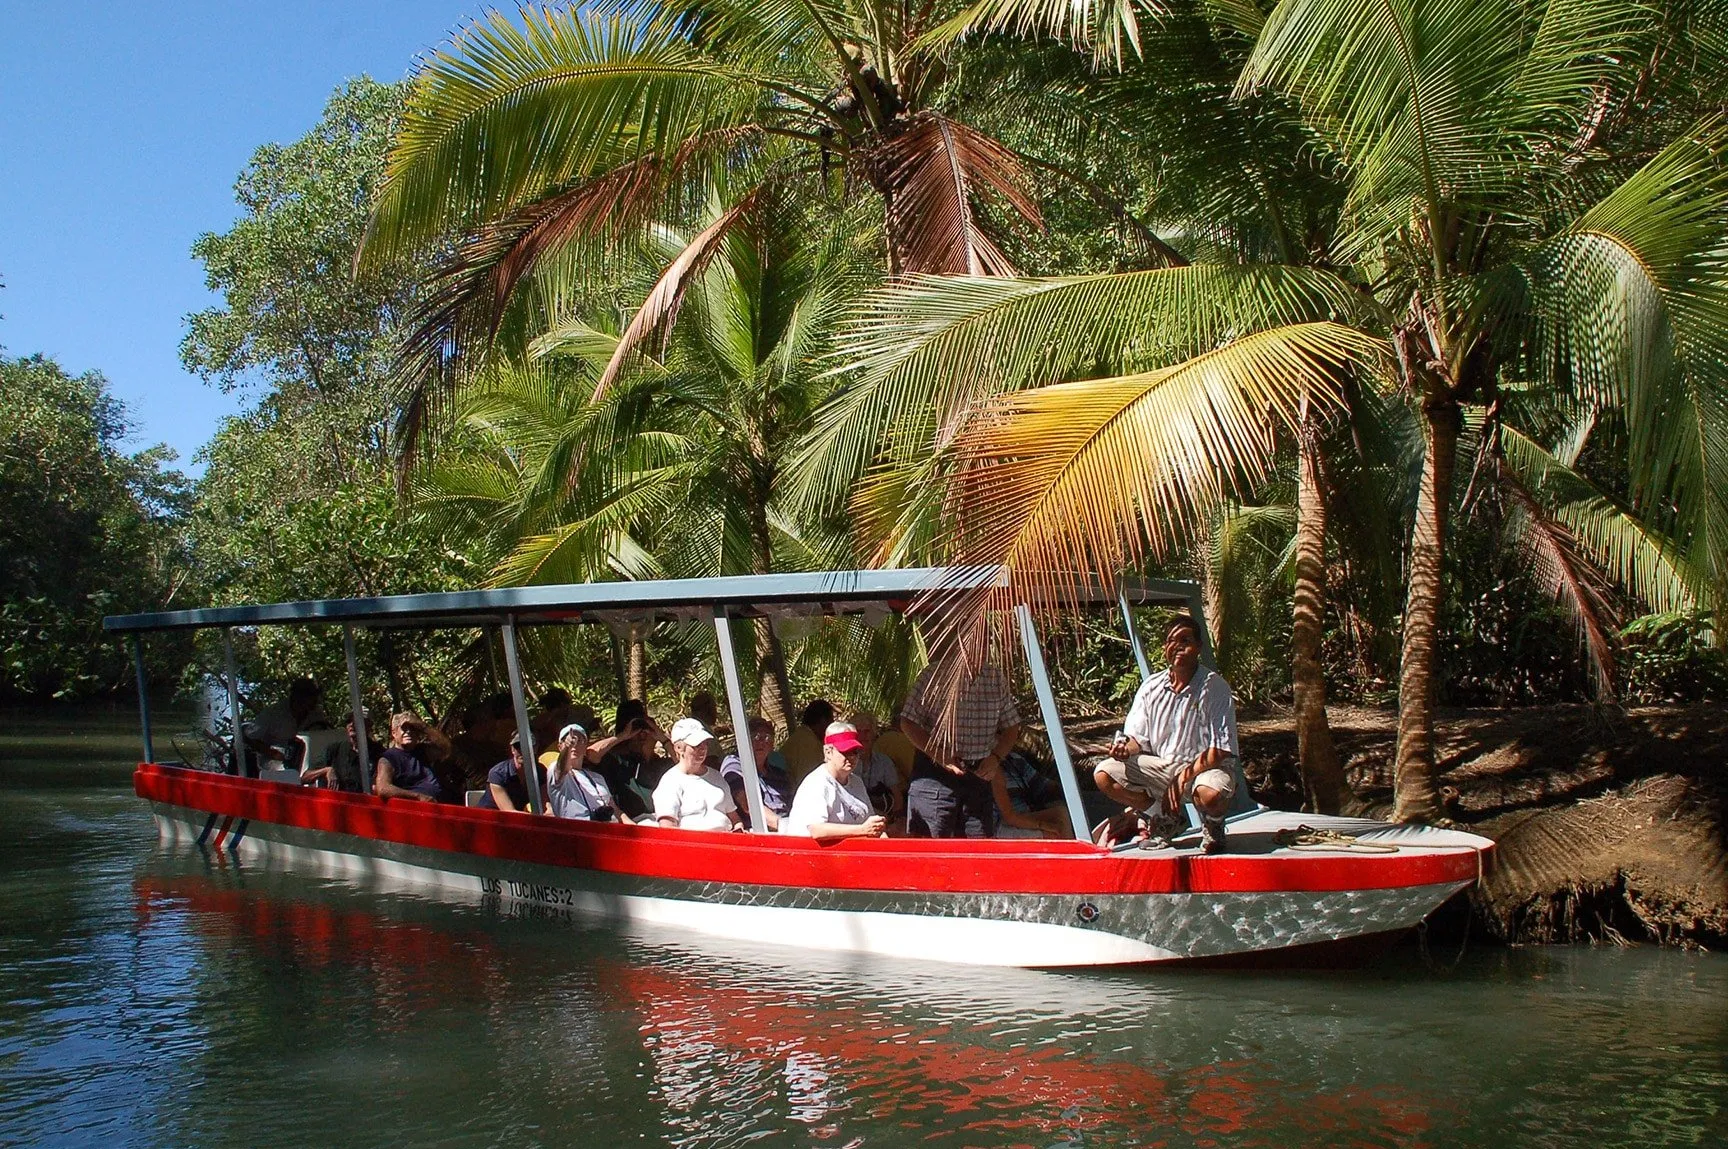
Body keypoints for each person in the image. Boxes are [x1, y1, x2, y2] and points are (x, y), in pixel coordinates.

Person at [1095, 616, 1240, 854]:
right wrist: (1123, 749)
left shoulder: (1215, 687)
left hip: (1204, 770)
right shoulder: (1151, 687)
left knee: (1210, 795)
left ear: (1199, 647)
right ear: (1165, 648)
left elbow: (1221, 749)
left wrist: (1181, 778)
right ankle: (1163, 819)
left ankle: (1214, 826)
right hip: (1164, 767)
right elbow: (1136, 739)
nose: (1179, 646)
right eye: (1172, 640)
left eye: (1186, 640)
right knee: (1104, 774)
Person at [900, 661, 1020, 839]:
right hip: (934, 776)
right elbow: (908, 722)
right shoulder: (933, 675)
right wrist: (939, 754)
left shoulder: (994, 677)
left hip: (978, 778)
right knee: (930, 854)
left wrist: (996, 757)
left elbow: (1012, 726)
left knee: (977, 854)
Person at [781, 723, 888, 841]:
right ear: (828, 752)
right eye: (845, 751)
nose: (852, 757)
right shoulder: (817, 783)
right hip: (814, 855)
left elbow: (871, 824)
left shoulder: (857, 782)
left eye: (855, 752)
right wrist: (861, 830)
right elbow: (817, 830)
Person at [652, 718, 740, 831]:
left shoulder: (717, 777)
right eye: (696, 745)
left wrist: (739, 829)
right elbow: (667, 828)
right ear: (678, 748)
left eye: (705, 743)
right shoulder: (669, 782)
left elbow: (734, 818)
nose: (702, 748)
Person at [719, 715, 794, 831]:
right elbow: (748, 805)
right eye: (755, 736)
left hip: (786, 829)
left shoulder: (779, 774)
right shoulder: (733, 764)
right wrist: (782, 825)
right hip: (756, 831)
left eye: (767, 737)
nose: (761, 742)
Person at [242, 677, 326, 772]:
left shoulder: (316, 714)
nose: (314, 702)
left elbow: (322, 734)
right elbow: (248, 737)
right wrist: (272, 753)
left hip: (307, 758)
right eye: (310, 697)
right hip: (275, 761)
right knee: (289, 773)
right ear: (297, 697)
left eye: (314, 697)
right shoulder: (273, 713)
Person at [545, 723, 622, 822]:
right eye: (568, 740)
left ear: (586, 746)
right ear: (560, 747)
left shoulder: (597, 778)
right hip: (578, 831)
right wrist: (567, 748)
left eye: (579, 740)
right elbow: (561, 768)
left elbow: (616, 810)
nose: (574, 744)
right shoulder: (555, 770)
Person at [989, 752, 1071, 839]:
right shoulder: (989, 768)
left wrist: (1072, 791)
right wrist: (1041, 825)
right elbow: (1009, 817)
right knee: (1057, 826)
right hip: (1000, 825)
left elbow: (1041, 785)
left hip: (1024, 815)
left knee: (1063, 812)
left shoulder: (1013, 760)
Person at [300, 712, 384, 792]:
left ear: (369, 726)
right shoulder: (334, 750)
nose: (351, 724)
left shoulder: (379, 753)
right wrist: (326, 770)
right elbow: (304, 778)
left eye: (356, 721)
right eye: (348, 721)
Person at [846, 710, 905, 820]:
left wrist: (895, 820)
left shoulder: (884, 762)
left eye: (867, 731)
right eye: (859, 732)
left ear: (874, 734)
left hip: (885, 819)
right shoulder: (846, 762)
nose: (863, 736)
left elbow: (897, 797)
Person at [375, 712, 446, 802]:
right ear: (394, 733)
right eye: (404, 728)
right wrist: (417, 796)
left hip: (438, 805)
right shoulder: (388, 758)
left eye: (412, 728)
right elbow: (383, 789)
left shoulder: (422, 751)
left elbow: (445, 748)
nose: (408, 731)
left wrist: (422, 726)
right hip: (412, 808)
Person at [477, 733, 548, 813]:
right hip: (490, 818)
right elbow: (509, 812)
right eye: (518, 746)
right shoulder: (498, 773)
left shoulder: (540, 771)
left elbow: (544, 805)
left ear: (536, 748)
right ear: (512, 750)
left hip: (518, 818)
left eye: (528, 746)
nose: (523, 750)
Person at [778, 699, 834, 785]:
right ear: (823, 721)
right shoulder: (809, 744)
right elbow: (811, 782)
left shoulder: (800, 736)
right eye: (831, 722)